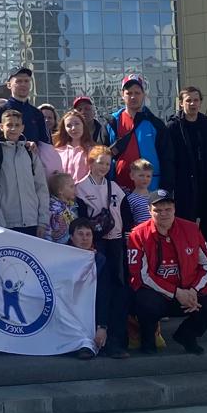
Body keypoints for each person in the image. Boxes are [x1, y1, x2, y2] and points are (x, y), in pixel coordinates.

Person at [127, 193, 207, 355]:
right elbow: (140, 275)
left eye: (168, 209)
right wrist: (176, 292)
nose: (164, 214)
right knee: (144, 300)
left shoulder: (191, 229)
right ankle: (148, 339)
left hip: (189, 293)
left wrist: (193, 290)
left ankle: (187, 335)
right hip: (159, 295)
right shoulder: (137, 235)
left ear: (174, 209)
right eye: (158, 210)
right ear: (149, 211)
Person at [75, 146, 129, 357]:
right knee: (97, 288)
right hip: (94, 243)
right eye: (100, 162)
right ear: (90, 163)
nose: (104, 167)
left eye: (107, 163)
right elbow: (79, 218)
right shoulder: (80, 188)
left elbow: (125, 214)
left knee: (117, 288)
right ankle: (91, 339)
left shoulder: (114, 186)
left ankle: (114, 340)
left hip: (115, 242)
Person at [164, 87, 207, 255]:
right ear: (181, 103)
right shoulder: (172, 127)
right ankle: (186, 269)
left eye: (196, 100)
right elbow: (168, 160)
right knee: (184, 233)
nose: (192, 104)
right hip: (184, 189)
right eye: (188, 100)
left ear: (200, 103)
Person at [104, 74, 173, 192]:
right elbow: (102, 156)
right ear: (122, 95)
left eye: (137, 93)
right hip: (118, 189)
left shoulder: (156, 124)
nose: (133, 97)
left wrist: (166, 188)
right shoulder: (112, 123)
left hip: (150, 189)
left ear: (143, 94)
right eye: (129, 93)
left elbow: (167, 158)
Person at [0, 108, 48, 234]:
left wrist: (42, 221)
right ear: (1, 127)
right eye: (9, 125)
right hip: (8, 222)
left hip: (32, 220)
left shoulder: (30, 152)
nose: (13, 129)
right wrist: (0, 223)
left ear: (22, 128)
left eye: (17, 125)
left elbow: (41, 187)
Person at [69, 218, 113, 360]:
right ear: (71, 237)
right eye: (80, 234)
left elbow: (103, 295)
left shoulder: (100, 260)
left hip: (89, 309)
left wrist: (102, 326)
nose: (85, 238)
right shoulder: (60, 258)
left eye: (88, 234)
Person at [0, 67, 51, 144]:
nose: (23, 84)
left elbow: (45, 143)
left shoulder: (36, 113)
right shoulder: (0, 110)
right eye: (19, 81)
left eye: (26, 81)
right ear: (9, 85)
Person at [53, 109, 94, 182]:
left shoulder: (93, 150)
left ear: (83, 125)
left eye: (77, 124)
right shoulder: (57, 152)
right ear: (65, 129)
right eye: (69, 125)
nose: (73, 128)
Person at [121, 158, 156, 232]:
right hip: (141, 234)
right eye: (141, 175)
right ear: (132, 176)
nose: (145, 179)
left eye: (148, 176)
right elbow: (128, 222)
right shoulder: (130, 199)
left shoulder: (155, 197)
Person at [48, 171, 78, 244]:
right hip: (58, 247)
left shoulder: (70, 205)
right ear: (60, 191)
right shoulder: (54, 209)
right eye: (71, 186)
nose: (75, 189)